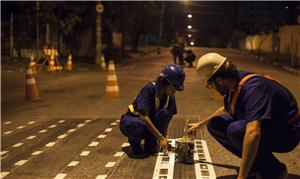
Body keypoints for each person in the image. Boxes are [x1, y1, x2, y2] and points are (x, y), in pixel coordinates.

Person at [188, 53, 300, 179]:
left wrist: (241, 177)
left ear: (219, 80)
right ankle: (256, 165)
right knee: (215, 124)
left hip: (288, 132)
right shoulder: (235, 83)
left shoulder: (253, 88)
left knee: (236, 130)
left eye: (210, 84)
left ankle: (275, 170)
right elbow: (227, 108)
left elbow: (253, 133)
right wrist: (201, 124)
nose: (213, 88)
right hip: (272, 125)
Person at [119, 64, 185, 156]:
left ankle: (150, 143)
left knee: (166, 113)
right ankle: (135, 145)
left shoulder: (170, 96)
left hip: (148, 127)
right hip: (133, 122)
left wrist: (165, 137)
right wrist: (160, 138)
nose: (174, 92)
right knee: (136, 125)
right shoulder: (149, 90)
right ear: (164, 82)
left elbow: (167, 118)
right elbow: (144, 117)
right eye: (172, 88)